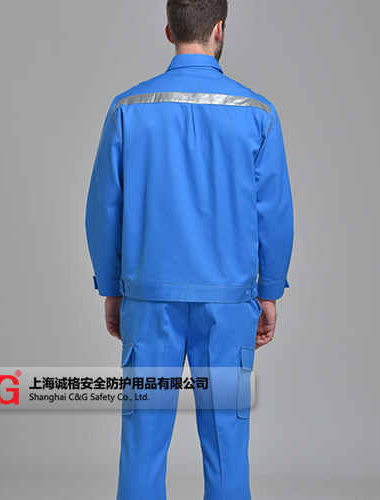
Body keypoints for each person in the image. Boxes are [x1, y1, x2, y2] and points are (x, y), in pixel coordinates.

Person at [85, 0, 294, 498]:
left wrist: (111, 288)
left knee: (142, 443)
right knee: (226, 445)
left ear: (169, 30)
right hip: (229, 304)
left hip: (148, 298)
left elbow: (104, 209)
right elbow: (274, 212)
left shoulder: (129, 108)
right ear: (219, 29)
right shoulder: (257, 114)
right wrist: (268, 291)